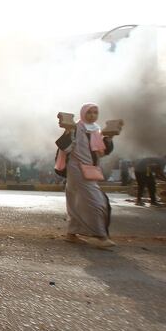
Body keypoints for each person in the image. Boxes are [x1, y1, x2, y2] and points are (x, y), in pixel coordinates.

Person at [55, 103, 117, 248]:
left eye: (95, 112)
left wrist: (109, 138)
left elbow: (102, 151)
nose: (93, 115)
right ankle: (101, 236)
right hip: (76, 170)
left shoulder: (96, 130)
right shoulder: (76, 128)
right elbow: (64, 146)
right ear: (83, 113)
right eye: (89, 112)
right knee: (96, 202)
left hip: (89, 170)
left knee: (77, 201)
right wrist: (68, 131)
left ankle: (72, 233)